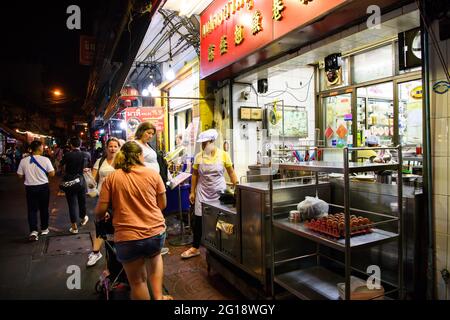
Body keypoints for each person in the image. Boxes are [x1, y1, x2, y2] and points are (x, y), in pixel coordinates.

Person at [95, 141, 172, 300]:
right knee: (155, 260)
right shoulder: (152, 174)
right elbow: (162, 205)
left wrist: (108, 213)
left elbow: (100, 211)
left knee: (138, 282)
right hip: (155, 232)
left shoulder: (112, 178)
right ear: (138, 156)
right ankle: (158, 297)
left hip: (128, 237)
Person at [181, 129, 238, 259]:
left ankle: (222, 245)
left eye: (205, 143)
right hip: (203, 192)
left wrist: (237, 186)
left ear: (212, 142)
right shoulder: (198, 156)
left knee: (221, 219)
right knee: (199, 219)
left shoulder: (223, 155)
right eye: (201, 144)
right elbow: (194, 175)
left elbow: (231, 172)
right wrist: (192, 192)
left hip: (219, 191)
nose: (202, 146)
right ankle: (195, 247)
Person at [86, 137, 120, 267]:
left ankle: (118, 252)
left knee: (118, 225)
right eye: (110, 146)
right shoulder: (100, 162)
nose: (113, 149)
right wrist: (88, 177)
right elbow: (92, 182)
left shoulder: (122, 162)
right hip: (102, 198)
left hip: (118, 198)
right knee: (100, 224)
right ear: (106, 148)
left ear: (119, 148)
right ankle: (96, 252)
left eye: (115, 146)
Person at [17, 140, 55, 241]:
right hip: (43, 187)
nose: (43, 148)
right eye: (42, 147)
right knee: (44, 208)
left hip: (30, 188)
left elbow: (20, 175)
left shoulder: (23, 161)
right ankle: (44, 228)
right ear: (39, 148)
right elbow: (52, 174)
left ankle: (33, 231)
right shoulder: (45, 159)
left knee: (32, 209)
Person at [60, 137, 91, 234]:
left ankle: (74, 227)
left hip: (70, 182)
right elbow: (88, 165)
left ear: (71, 145)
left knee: (72, 204)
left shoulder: (67, 155)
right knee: (82, 201)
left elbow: (62, 165)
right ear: (80, 144)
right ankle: (83, 218)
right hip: (81, 181)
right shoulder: (86, 154)